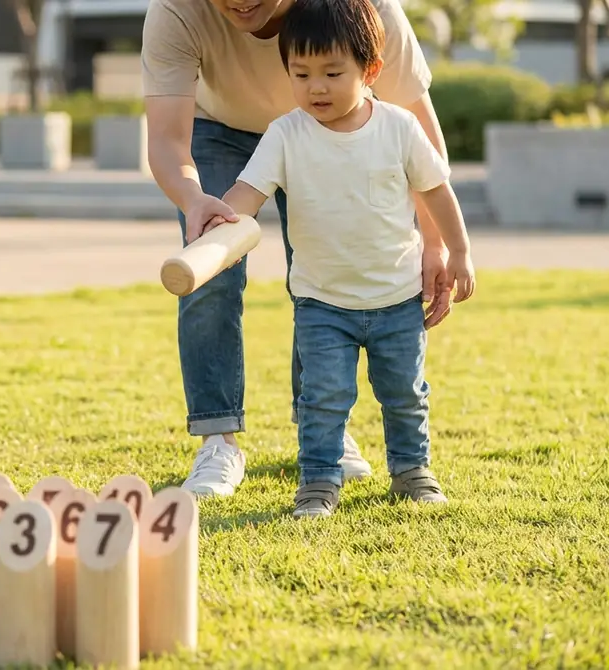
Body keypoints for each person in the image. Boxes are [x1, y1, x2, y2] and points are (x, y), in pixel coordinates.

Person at [141, 0, 457, 497]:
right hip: (218, 129)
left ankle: (324, 429)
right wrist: (194, 199)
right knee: (213, 274)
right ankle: (218, 440)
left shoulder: (366, 8)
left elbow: (420, 141)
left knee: (324, 270)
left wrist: (435, 244)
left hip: (329, 127)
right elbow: (165, 138)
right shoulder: (176, 10)